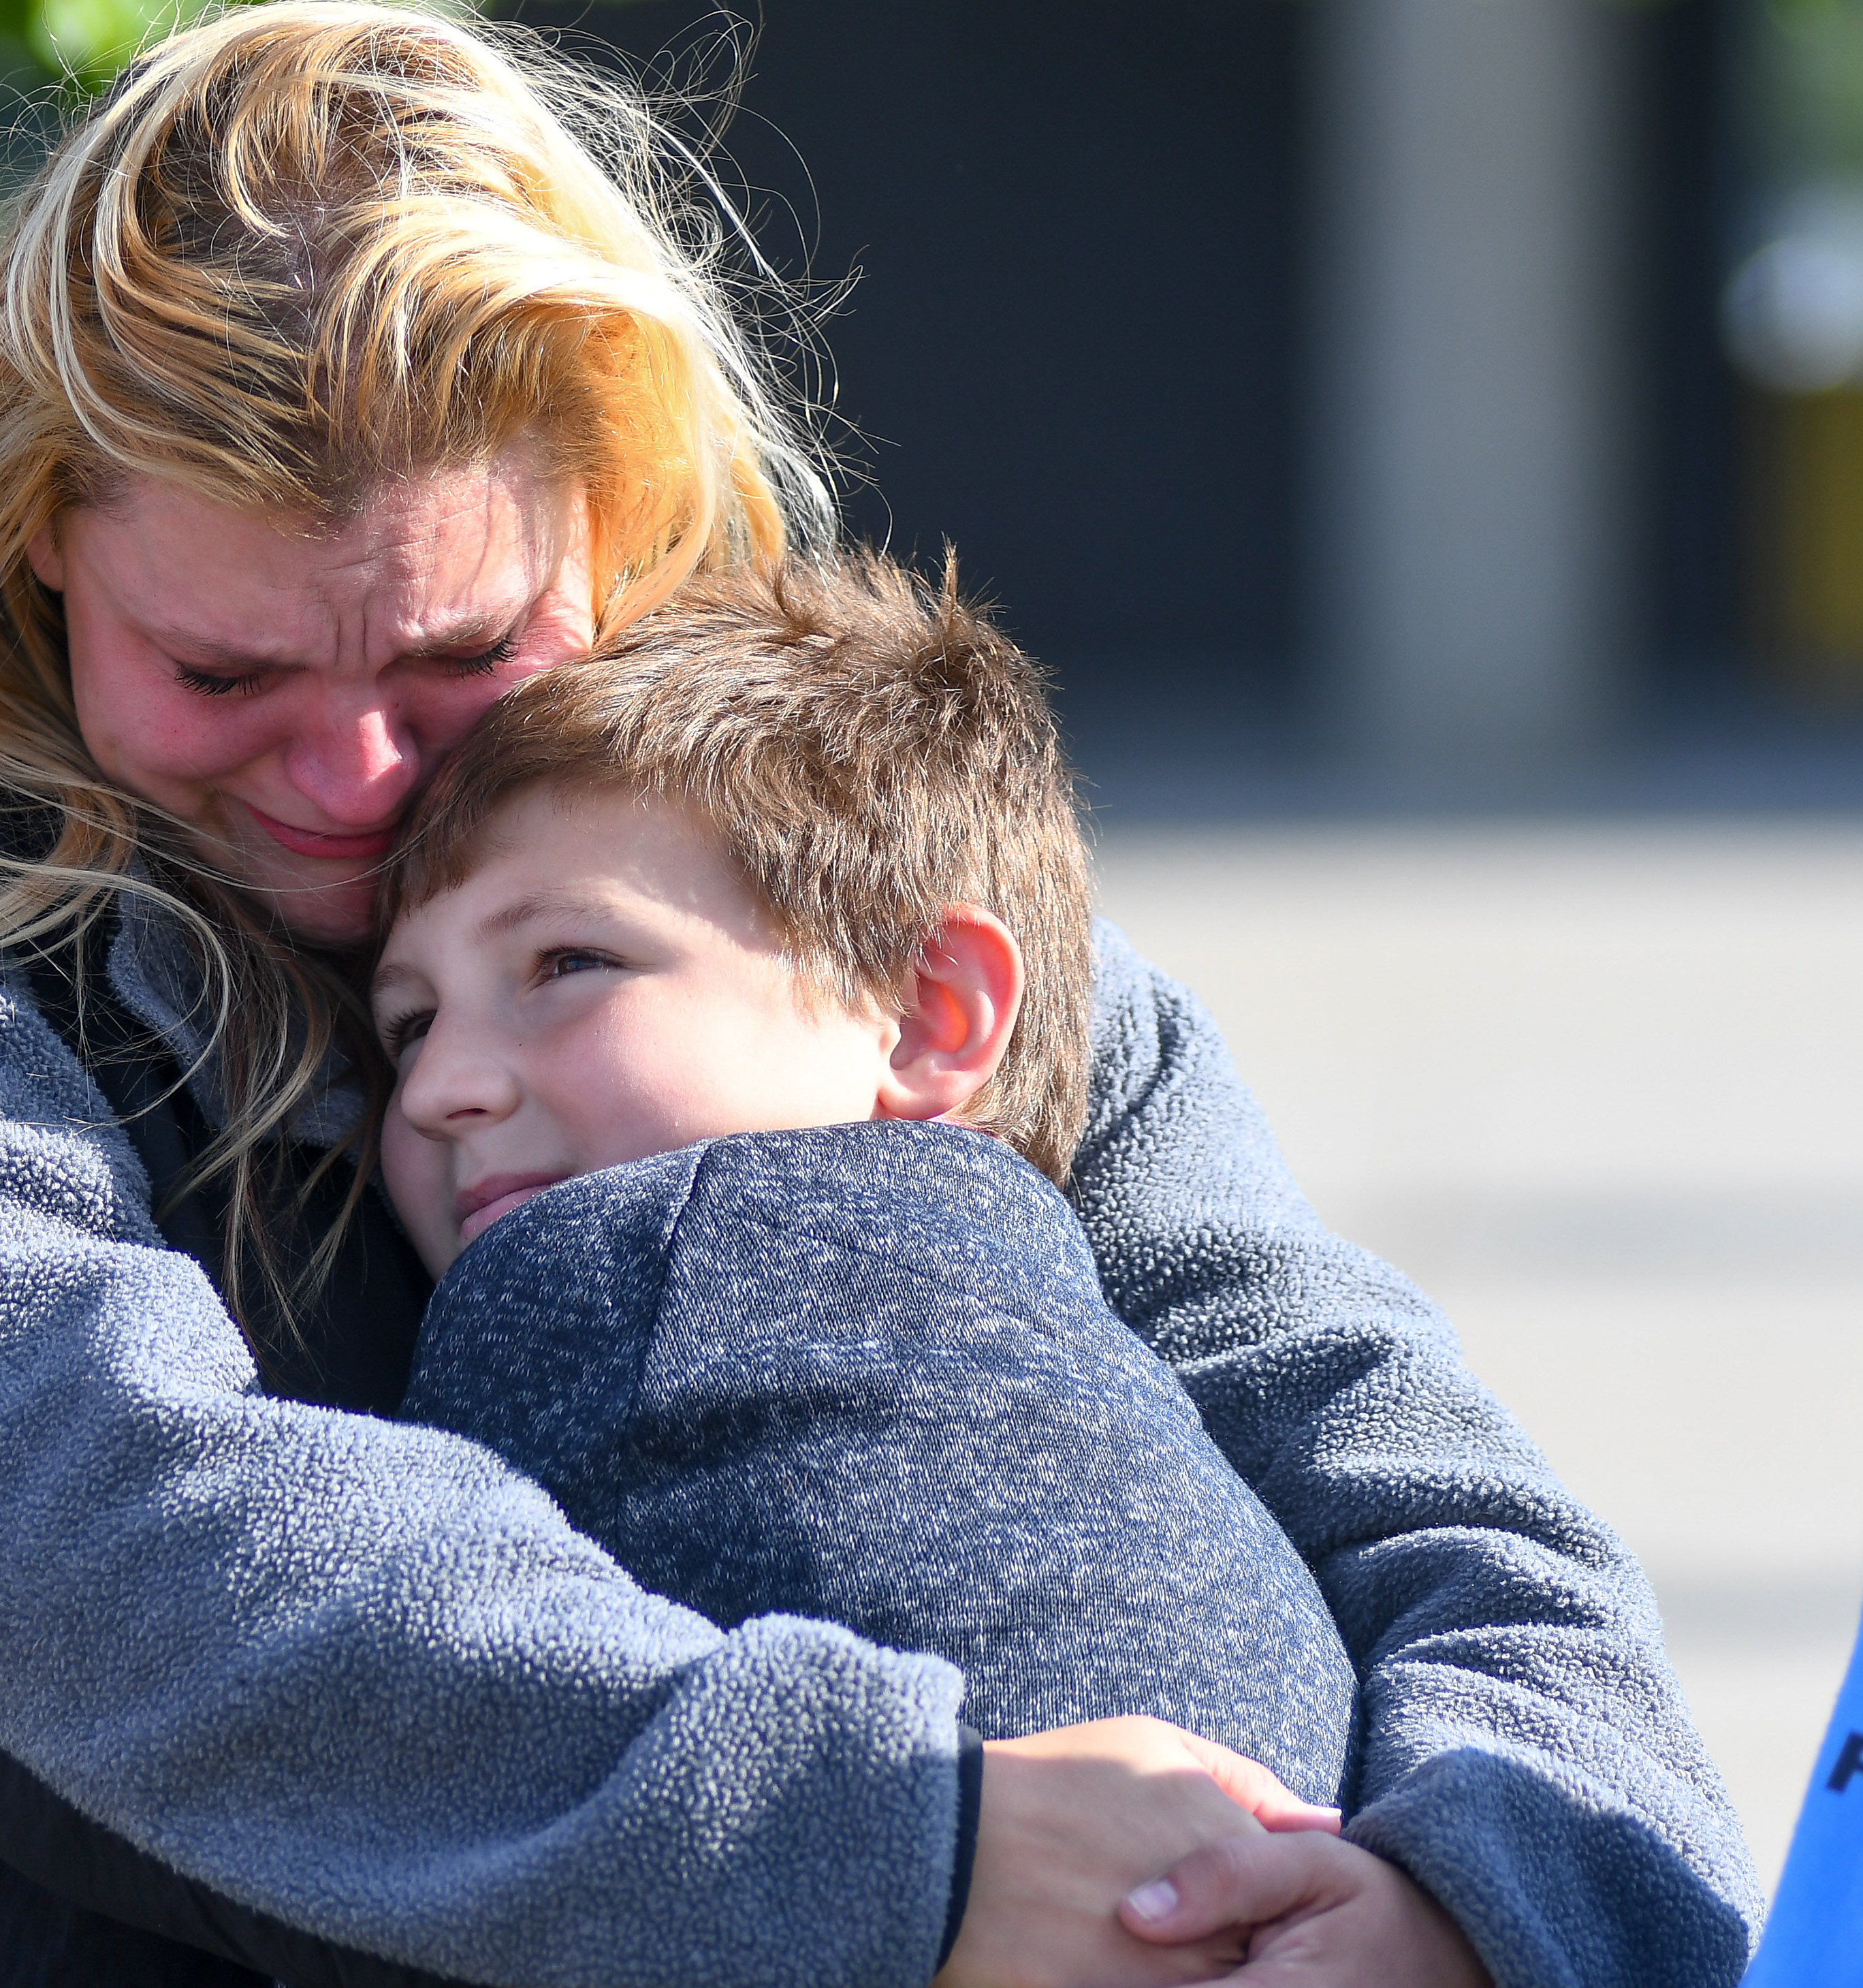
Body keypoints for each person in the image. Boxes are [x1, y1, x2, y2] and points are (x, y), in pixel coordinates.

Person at [0, 0, 1760, 1988]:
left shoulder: (871, 924)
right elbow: (106, 1560)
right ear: (37, 535)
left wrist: (1465, 1909)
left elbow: (1441, 1515)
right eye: (222, 666)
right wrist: (916, 1850)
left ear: (620, 512)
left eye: (455, 654)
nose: (348, 779)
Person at [377, 551, 1366, 1812]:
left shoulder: (612, 1273)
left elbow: (427, 1755)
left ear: (921, 1014)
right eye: (406, 1027)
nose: (437, 1085)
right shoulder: (1074, 1301)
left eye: (566, 962)